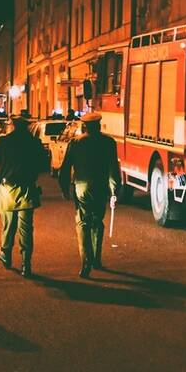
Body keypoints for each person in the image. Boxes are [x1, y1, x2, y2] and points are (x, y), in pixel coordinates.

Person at [0, 112, 48, 278]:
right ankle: (26, 264)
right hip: (28, 188)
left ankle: (6, 254)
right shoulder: (34, 143)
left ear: (13, 125)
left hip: (8, 188)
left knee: (8, 226)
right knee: (26, 229)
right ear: (27, 126)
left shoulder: (3, 141)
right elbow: (43, 164)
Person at [58, 112, 120, 278]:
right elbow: (113, 168)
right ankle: (97, 258)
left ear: (84, 126)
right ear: (99, 126)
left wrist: (64, 188)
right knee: (97, 222)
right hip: (101, 188)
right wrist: (114, 190)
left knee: (83, 223)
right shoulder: (108, 143)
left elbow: (64, 168)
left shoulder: (76, 143)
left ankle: (86, 262)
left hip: (82, 187)